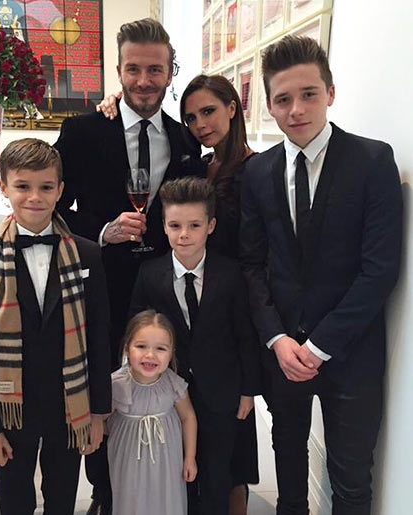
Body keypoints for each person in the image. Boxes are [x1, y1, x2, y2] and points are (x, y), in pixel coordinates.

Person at [240, 35, 402, 515]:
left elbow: (379, 270)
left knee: (351, 480)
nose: (296, 110)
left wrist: (318, 346)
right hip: (283, 350)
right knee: (288, 462)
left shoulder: (372, 161)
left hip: (351, 350)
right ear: (269, 105)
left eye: (308, 94)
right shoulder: (258, 172)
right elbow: (252, 264)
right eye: (283, 99)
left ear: (330, 92)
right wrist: (277, 339)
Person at [54, 18, 202, 514]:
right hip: (104, 287)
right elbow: (53, 208)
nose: (143, 80)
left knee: (164, 386)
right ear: (117, 71)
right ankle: (105, 494)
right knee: (107, 388)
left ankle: (163, 488)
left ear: (169, 72)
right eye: (133, 69)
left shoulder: (185, 141)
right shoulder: (82, 131)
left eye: (155, 69)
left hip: (164, 289)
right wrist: (101, 232)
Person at [0, 138, 112, 515]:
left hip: (69, 406)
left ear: (60, 190)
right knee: (15, 504)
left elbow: (99, 338)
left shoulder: (87, 253)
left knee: (62, 501)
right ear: (4, 187)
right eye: (22, 186)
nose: (34, 197)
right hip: (10, 407)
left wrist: (98, 413)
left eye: (46, 187)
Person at [130, 177, 260, 515]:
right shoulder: (149, 274)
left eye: (194, 225)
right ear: (163, 225)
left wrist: (248, 391)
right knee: (178, 471)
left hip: (221, 392)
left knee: (218, 474)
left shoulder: (231, 274)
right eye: (175, 226)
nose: (184, 234)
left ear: (211, 226)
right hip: (169, 395)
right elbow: (135, 336)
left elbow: (245, 336)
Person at [107, 310, 197, 515]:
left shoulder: (172, 383)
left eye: (160, 348)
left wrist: (190, 457)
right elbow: (103, 420)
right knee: (131, 499)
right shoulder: (116, 384)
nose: (150, 355)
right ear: (127, 347)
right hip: (128, 458)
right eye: (141, 346)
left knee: (167, 498)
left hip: (168, 458)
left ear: (171, 353)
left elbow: (188, 417)